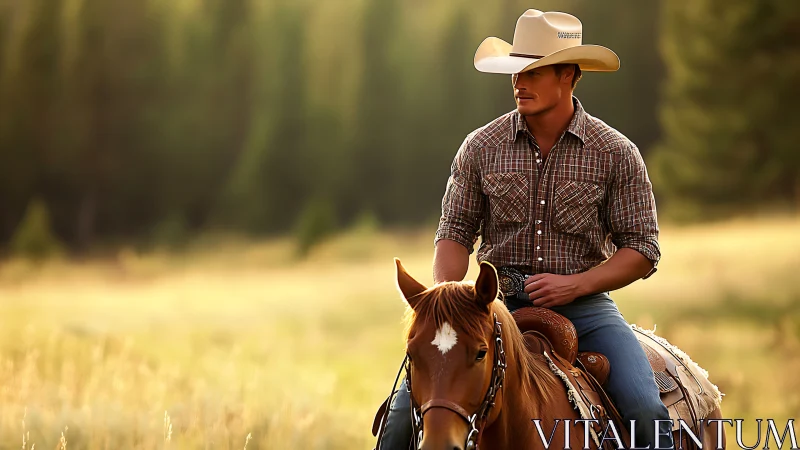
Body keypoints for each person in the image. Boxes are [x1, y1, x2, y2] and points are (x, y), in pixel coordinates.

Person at [377, 8, 675, 450]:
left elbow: (643, 248)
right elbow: (454, 233)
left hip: (588, 310)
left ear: (569, 75)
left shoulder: (615, 152)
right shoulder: (481, 147)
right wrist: (450, 297)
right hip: (490, 310)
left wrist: (577, 285)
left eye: (535, 71)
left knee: (644, 410)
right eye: (517, 70)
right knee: (400, 423)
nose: (520, 81)